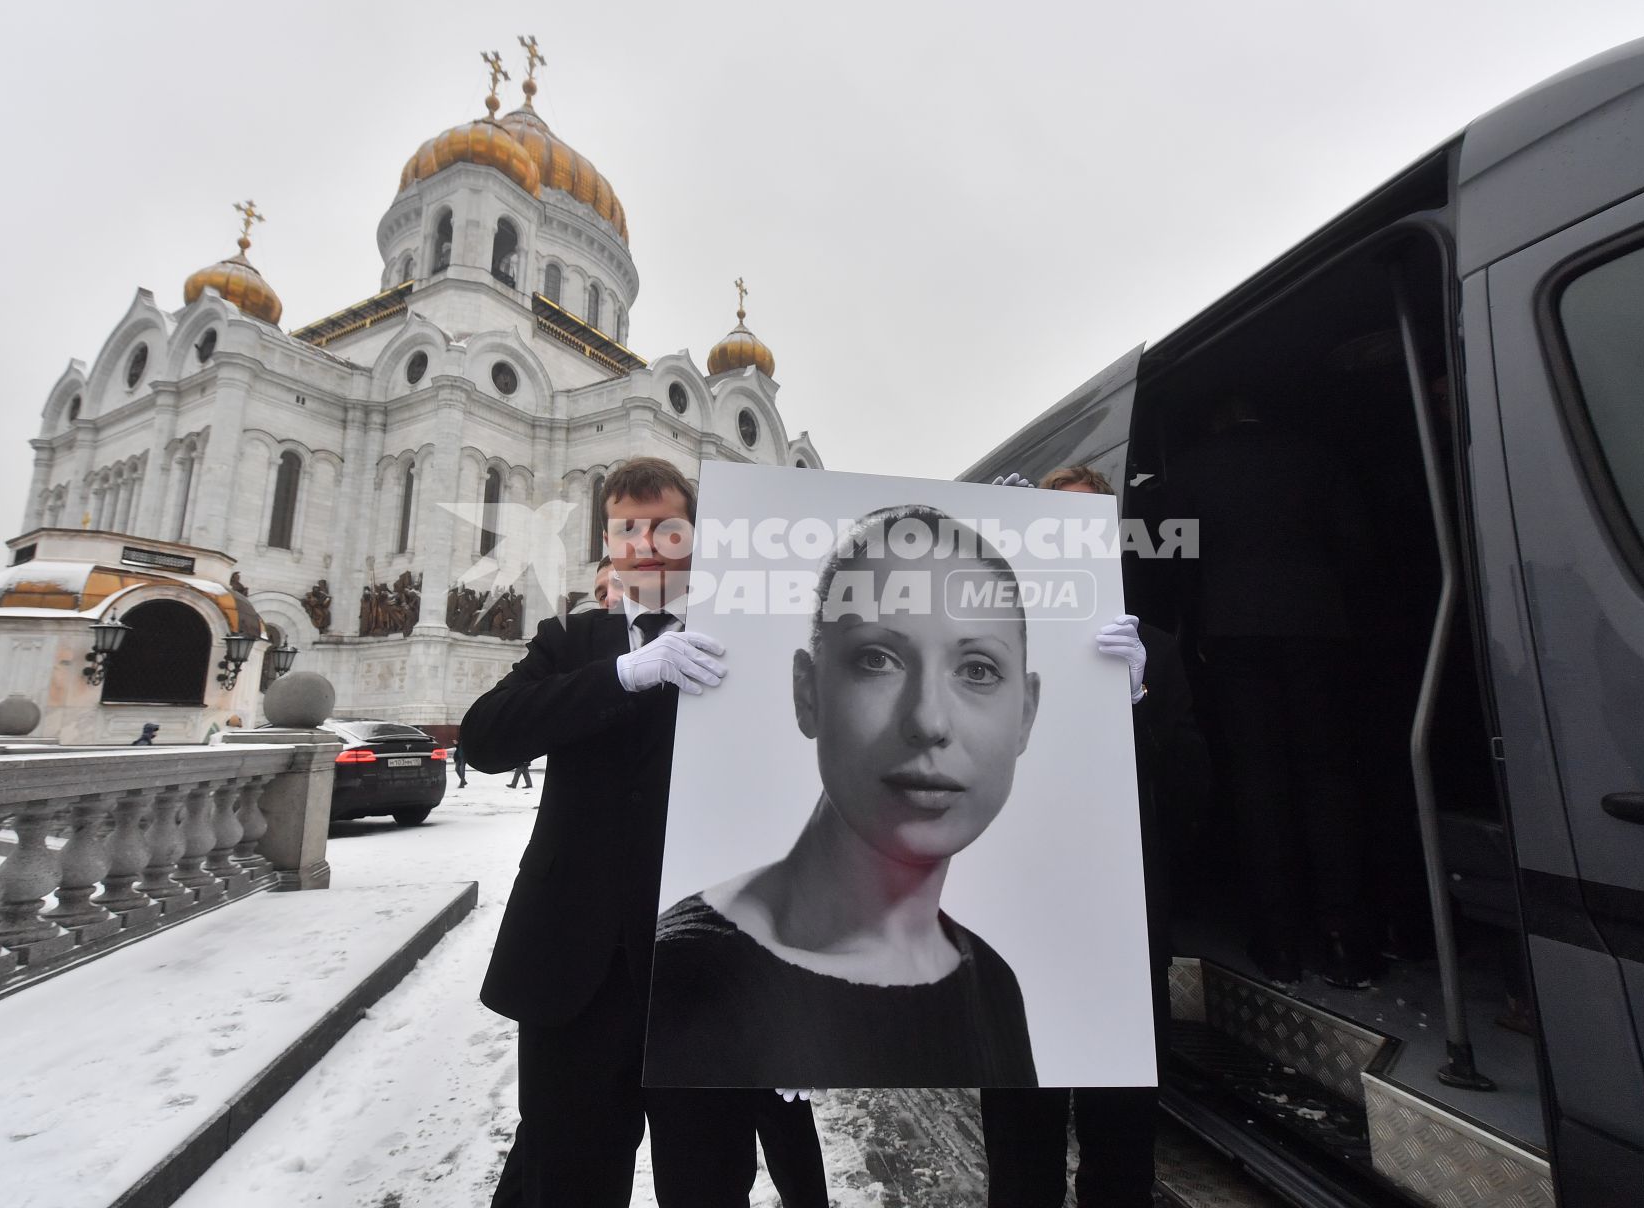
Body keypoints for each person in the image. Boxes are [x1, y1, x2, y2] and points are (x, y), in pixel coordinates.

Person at [647, 502, 1152, 1090]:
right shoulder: (690, 974)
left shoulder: (990, 981)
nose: (929, 720)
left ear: (1026, 715)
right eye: (877, 660)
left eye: (979, 670)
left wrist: (1125, 695)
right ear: (807, 692)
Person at [458, 456, 827, 1208]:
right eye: (629, 529)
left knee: (711, 1182)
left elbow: (798, 795)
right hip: (577, 977)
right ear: (608, 542)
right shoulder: (571, 641)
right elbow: (484, 741)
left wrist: (798, 1003)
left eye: (668, 528)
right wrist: (625, 674)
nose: (648, 545)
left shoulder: (748, 640)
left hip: (707, 982)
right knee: (569, 1179)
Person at [981, 463, 1208, 1207]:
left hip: (1120, 937)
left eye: (1085, 526)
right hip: (1020, 937)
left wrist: (1138, 695)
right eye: (1053, 527)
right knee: (1021, 1144)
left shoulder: (1156, 651)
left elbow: (1193, 799)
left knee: (1120, 1147)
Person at [1165, 395, 1376, 987]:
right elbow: (1357, 551)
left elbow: (1177, 561)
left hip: (1232, 637)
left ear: (1216, 417)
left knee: (1257, 782)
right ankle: (1346, 942)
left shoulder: (1190, 469)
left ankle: (1280, 944)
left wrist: (1199, 623)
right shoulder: (1317, 458)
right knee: (1330, 778)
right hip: (1319, 631)